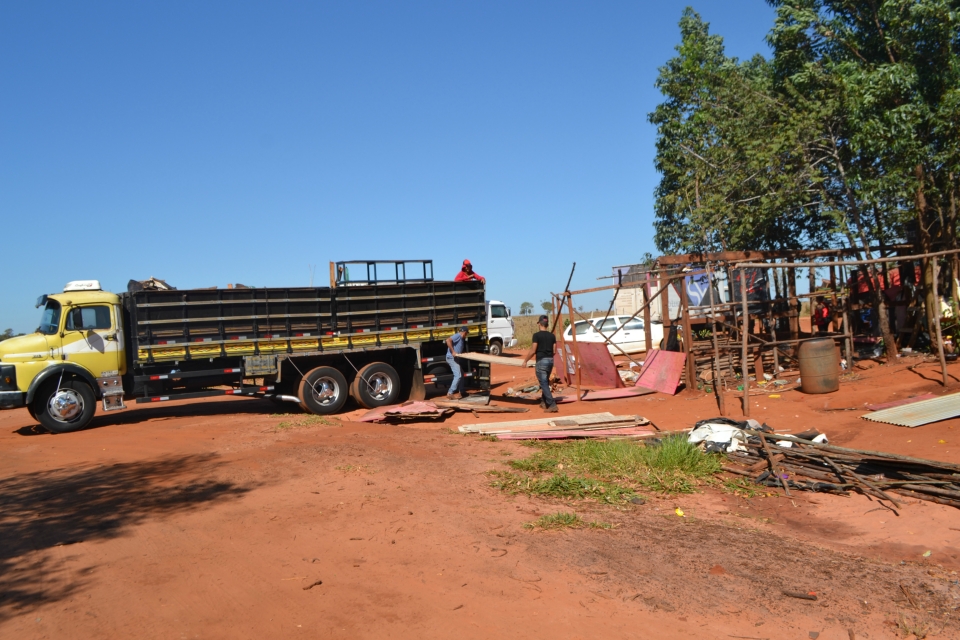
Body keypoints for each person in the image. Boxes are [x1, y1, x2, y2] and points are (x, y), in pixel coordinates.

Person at [522, 315, 558, 412]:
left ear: (539, 324)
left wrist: (525, 360)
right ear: (547, 324)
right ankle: (543, 402)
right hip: (550, 361)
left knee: (543, 383)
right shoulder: (552, 336)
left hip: (541, 361)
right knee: (545, 381)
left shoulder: (536, 335)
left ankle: (552, 404)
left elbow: (533, 350)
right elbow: (554, 350)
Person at [445, 326, 469, 399]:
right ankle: (450, 393)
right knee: (458, 375)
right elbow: (448, 340)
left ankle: (461, 391)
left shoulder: (461, 338)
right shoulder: (458, 335)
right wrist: (453, 351)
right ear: (464, 332)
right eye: (467, 334)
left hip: (455, 358)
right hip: (451, 358)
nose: (466, 335)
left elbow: (458, 347)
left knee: (461, 373)